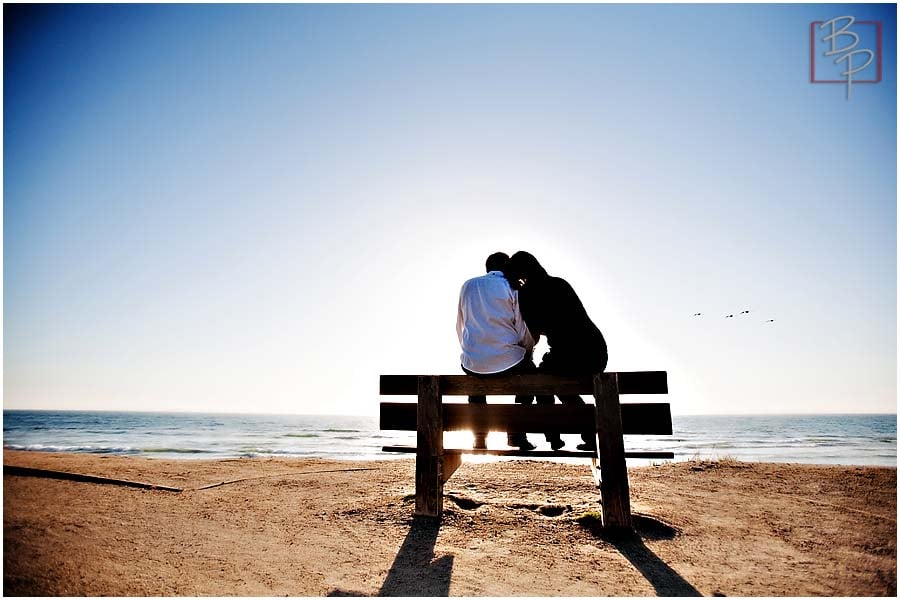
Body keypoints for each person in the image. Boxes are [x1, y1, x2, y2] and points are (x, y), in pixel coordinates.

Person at [504, 251, 608, 451]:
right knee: (557, 383)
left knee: (542, 380)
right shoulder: (560, 283)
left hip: (570, 354)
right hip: (596, 350)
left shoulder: (527, 295)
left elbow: (533, 334)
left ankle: (554, 437)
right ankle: (585, 435)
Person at [457, 252, 537, 450]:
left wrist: (471, 351)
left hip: (472, 363)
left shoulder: (468, 286)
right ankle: (516, 434)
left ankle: (480, 438)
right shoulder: (513, 287)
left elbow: (460, 325)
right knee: (531, 377)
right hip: (508, 361)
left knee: (476, 386)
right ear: (507, 267)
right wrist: (528, 350)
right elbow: (521, 327)